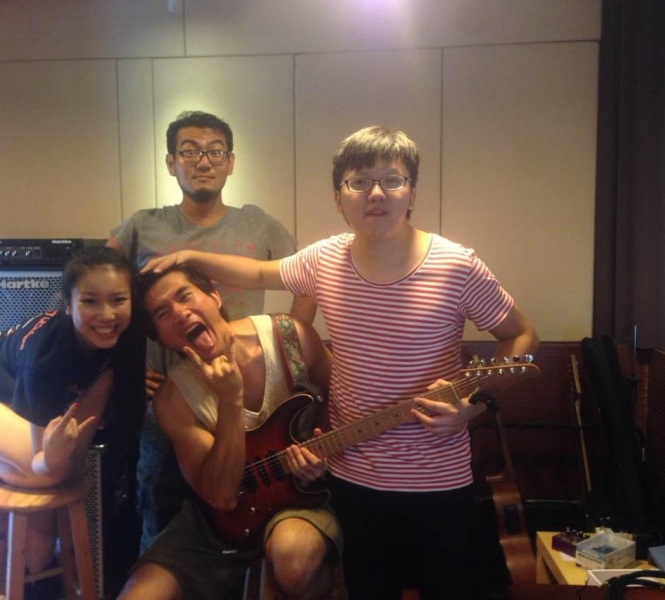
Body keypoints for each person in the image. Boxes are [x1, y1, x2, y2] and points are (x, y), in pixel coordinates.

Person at [143, 125, 540, 599]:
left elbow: (521, 337)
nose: (376, 193)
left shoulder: (457, 265)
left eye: (391, 180)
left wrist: (472, 406)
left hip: (439, 479)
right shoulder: (325, 260)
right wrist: (189, 256)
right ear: (338, 198)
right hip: (351, 479)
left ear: (412, 192)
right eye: (358, 182)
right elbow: (260, 272)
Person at [106, 110, 316, 551]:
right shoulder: (142, 225)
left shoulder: (257, 223)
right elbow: (102, 293)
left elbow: (306, 279)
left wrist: (293, 348)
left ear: (230, 162)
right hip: (172, 399)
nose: (203, 161)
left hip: (248, 393)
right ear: (170, 163)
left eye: (215, 152)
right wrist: (125, 368)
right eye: (189, 151)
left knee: (246, 508)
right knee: (161, 510)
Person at [118, 264, 340, 600]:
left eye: (185, 296)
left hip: (301, 501)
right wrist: (230, 400)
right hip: (217, 522)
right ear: (159, 336)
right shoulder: (173, 400)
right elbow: (221, 496)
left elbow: (345, 404)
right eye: (162, 313)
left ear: (214, 296)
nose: (179, 313)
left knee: (292, 558)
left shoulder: (290, 338)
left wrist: (322, 454)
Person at [0, 245, 145, 574]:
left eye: (118, 300)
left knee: (63, 485)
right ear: (68, 304)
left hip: (17, 394)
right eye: (90, 301)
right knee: (50, 473)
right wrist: (53, 464)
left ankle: (41, 568)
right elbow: (43, 461)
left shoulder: (127, 337)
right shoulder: (46, 355)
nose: (107, 315)